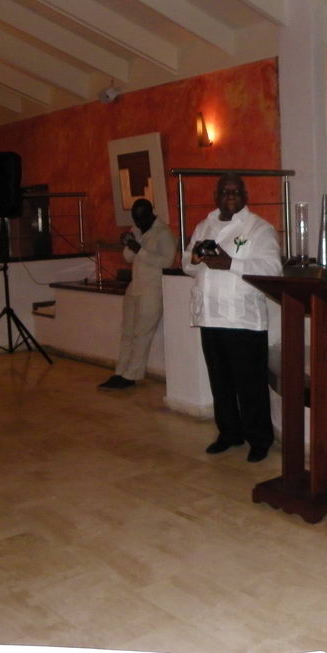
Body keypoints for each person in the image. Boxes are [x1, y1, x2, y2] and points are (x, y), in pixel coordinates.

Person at [182, 173, 282, 463]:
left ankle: (259, 439)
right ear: (216, 196)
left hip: (243, 319)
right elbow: (187, 264)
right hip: (210, 316)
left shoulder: (259, 228)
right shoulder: (204, 225)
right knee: (220, 382)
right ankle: (229, 433)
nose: (230, 196)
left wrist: (231, 263)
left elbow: (272, 268)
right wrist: (195, 259)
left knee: (250, 384)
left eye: (236, 191)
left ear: (245, 196)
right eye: (224, 191)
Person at [99, 199, 177, 390]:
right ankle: (120, 372)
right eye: (135, 218)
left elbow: (167, 262)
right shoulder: (137, 230)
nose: (138, 222)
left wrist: (139, 249)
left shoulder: (164, 233)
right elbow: (127, 257)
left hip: (153, 289)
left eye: (141, 218)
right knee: (127, 333)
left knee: (142, 335)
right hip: (135, 287)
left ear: (151, 213)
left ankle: (131, 376)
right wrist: (129, 242)